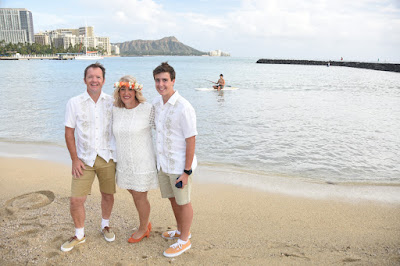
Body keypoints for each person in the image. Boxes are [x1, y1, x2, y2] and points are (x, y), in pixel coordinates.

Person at [61, 63, 117, 252]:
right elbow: (69, 133)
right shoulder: (74, 103)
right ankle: (79, 235)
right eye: (90, 77)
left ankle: (105, 225)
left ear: (104, 80)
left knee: (108, 195)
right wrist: (74, 159)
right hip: (83, 159)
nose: (94, 80)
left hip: (107, 157)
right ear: (84, 79)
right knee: (76, 200)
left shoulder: (112, 102)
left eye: (98, 77)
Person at [152, 62, 197, 258]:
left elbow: (191, 139)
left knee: (184, 201)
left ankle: (184, 240)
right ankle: (180, 230)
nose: (161, 84)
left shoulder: (183, 107)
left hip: (179, 165)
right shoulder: (157, 104)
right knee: (173, 199)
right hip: (164, 163)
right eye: (157, 80)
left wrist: (186, 172)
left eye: (164, 80)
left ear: (173, 81)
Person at [112, 75, 158, 243]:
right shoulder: (115, 110)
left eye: (129, 89)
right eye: (122, 89)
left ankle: (143, 228)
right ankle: (146, 222)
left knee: (139, 195)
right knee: (133, 192)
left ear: (136, 91)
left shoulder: (147, 109)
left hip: (142, 161)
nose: (126, 93)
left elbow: (163, 128)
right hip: (124, 162)